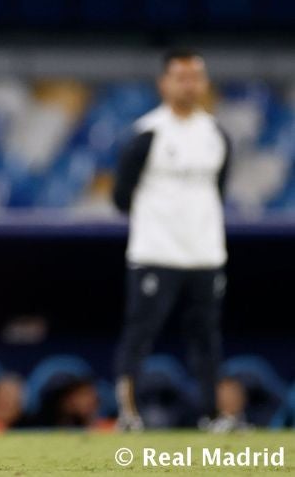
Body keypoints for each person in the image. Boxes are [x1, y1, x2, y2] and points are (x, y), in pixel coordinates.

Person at [111, 50, 232, 432]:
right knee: (140, 333)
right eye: (181, 76)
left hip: (205, 254)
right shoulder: (148, 134)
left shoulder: (216, 134)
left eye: (196, 75)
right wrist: (157, 224)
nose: (189, 83)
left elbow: (220, 189)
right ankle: (129, 414)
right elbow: (121, 196)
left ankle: (212, 415)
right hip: (156, 251)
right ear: (164, 82)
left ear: (205, 82)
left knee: (206, 338)